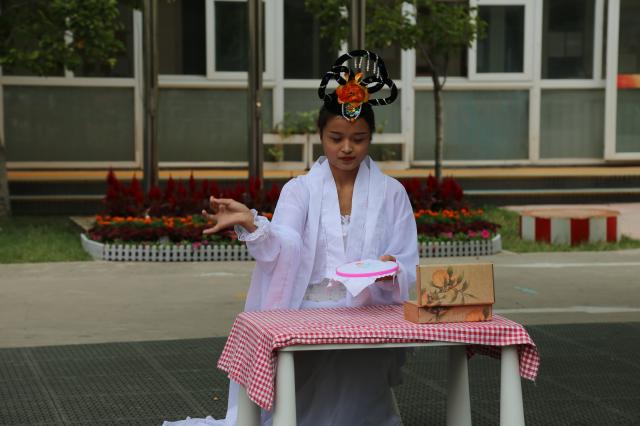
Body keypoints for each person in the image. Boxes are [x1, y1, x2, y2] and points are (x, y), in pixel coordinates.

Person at [163, 50, 418, 426]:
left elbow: (406, 256)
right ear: (321, 136)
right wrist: (253, 223)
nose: (347, 148)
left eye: (358, 139)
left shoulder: (391, 192)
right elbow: (283, 244)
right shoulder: (300, 190)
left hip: (367, 309)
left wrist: (391, 267)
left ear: (371, 139)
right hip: (307, 308)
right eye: (336, 138)